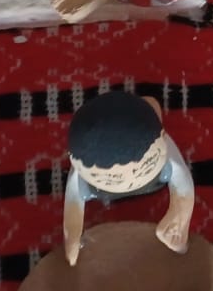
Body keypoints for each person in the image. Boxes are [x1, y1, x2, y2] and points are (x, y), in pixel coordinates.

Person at [62, 91, 194, 265]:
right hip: (102, 191)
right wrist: (72, 235)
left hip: (154, 179)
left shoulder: (162, 149)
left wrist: (178, 218)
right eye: (111, 177)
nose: (131, 181)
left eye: (144, 167)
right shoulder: (83, 172)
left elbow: (183, 184)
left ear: (162, 138)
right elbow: (73, 201)